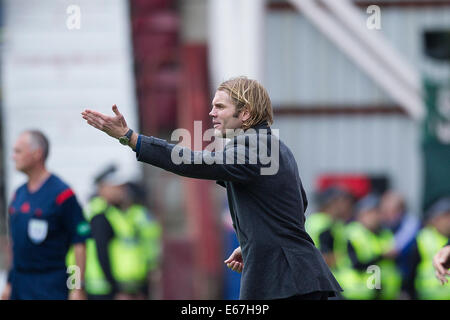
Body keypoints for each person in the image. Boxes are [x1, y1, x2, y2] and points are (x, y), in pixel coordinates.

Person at [81, 76, 342, 300]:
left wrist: (131, 138)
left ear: (246, 113)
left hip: (286, 280)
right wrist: (256, 241)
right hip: (294, 275)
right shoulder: (271, 145)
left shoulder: (253, 146)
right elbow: (296, 206)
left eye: (219, 106)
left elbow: (195, 163)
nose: (211, 113)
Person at [1, 130, 88, 300]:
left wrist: (77, 287)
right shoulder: (18, 194)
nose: (13, 157)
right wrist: (10, 282)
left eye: (18, 151)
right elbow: (16, 244)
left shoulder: (62, 194)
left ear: (37, 154)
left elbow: (79, 243)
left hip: (50, 285)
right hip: (20, 284)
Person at [78, 167, 151, 300]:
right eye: (117, 187)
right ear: (103, 188)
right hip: (105, 291)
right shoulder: (100, 216)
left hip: (120, 288)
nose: (122, 191)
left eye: (122, 187)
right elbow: (102, 254)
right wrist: (116, 290)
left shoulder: (115, 212)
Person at [339, 194, 401, 300]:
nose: (376, 217)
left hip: (383, 292)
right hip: (356, 292)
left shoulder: (385, 233)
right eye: (371, 213)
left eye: (378, 213)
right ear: (361, 214)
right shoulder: (352, 233)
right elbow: (356, 264)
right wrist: (382, 256)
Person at [403, 197, 450, 300]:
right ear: (435, 219)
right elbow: (410, 270)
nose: (448, 221)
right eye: (446, 216)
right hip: (427, 295)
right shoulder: (423, 239)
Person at [379, 190, 420, 289]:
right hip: (385, 281)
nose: (387, 214)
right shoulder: (383, 225)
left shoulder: (411, 224)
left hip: (408, 280)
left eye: (391, 210)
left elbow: (394, 250)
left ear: (401, 210)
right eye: (384, 210)